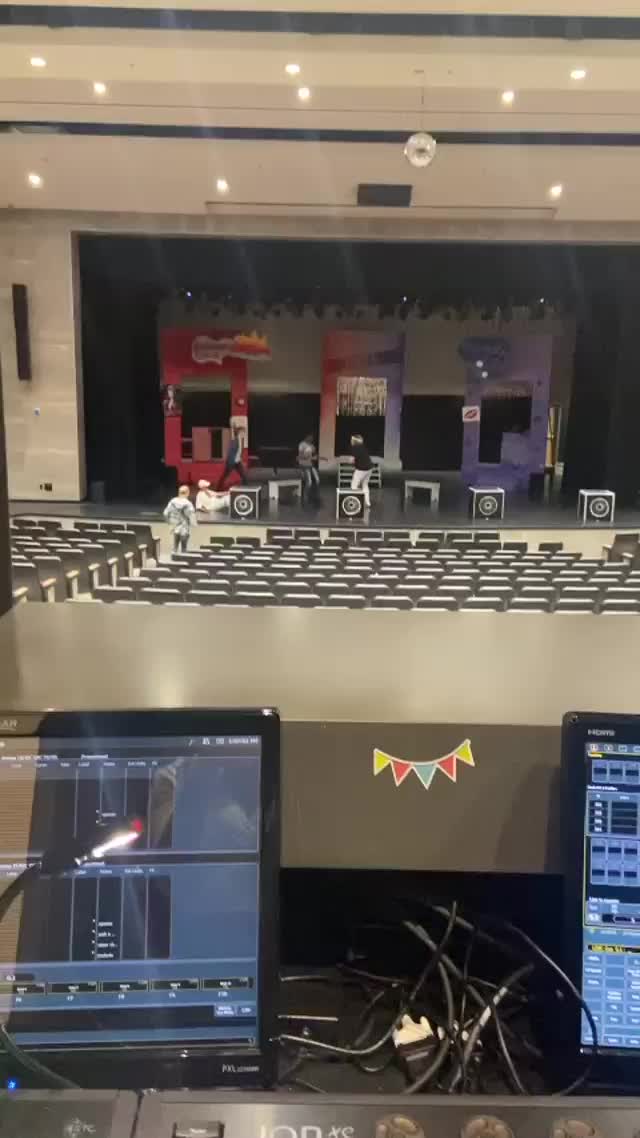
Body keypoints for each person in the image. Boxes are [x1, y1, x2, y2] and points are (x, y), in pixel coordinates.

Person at [163, 484, 196, 552]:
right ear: (188, 493)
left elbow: (165, 513)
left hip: (174, 528)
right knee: (184, 549)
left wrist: (169, 523)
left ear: (179, 492)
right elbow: (191, 517)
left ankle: (173, 558)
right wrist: (194, 525)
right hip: (184, 529)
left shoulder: (172, 502)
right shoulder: (188, 504)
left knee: (174, 548)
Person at [350, 434, 373, 508]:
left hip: (361, 469)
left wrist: (352, 462)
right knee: (365, 485)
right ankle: (367, 502)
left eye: (352, 440)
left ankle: (356, 502)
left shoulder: (354, 448)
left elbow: (351, 460)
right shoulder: (363, 447)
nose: (351, 441)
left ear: (354, 441)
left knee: (354, 485)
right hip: (369, 468)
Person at [297, 434, 320, 504]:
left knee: (317, 480)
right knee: (309, 481)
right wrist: (310, 457)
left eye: (312, 438)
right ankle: (305, 495)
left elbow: (315, 454)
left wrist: (317, 457)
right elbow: (300, 456)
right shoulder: (302, 444)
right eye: (309, 438)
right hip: (303, 464)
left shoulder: (312, 446)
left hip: (310, 465)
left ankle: (310, 493)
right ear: (306, 437)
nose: (311, 439)